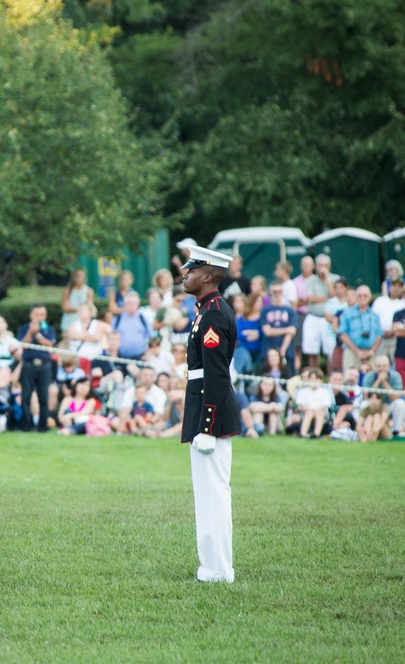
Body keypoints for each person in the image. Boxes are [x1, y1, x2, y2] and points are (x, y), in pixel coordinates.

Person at [179, 245, 240, 583]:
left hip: (210, 416)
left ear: (208, 276)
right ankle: (211, 567)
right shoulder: (207, 310)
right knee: (206, 494)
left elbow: (216, 376)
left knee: (214, 494)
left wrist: (207, 426)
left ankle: (218, 569)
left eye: (191, 270)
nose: (184, 275)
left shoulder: (214, 313)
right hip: (203, 409)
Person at [17, 305, 57, 432]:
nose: (39, 317)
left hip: (45, 366)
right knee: (26, 397)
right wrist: (30, 332)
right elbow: (24, 345)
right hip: (29, 365)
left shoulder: (49, 329)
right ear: (31, 315)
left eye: (42, 315)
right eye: (36, 314)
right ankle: (26, 425)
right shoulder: (23, 328)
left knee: (43, 397)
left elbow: (49, 344)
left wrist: (38, 335)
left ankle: (42, 426)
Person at [300, 254, 336, 369]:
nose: (323, 268)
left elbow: (335, 297)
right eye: (320, 265)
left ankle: (331, 380)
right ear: (316, 266)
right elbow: (310, 299)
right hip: (313, 317)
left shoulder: (335, 279)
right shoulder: (311, 280)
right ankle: (314, 376)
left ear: (329, 266)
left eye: (325, 265)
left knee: (329, 351)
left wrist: (328, 281)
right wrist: (327, 298)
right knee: (312, 350)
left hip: (329, 319)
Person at [337, 285, 383, 371]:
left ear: (369, 298)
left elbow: (379, 335)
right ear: (356, 297)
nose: (362, 298)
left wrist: (371, 352)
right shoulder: (347, 313)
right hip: (352, 351)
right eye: (360, 295)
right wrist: (358, 351)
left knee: (370, 379)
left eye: (365, 295)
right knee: (349, 377)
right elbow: (342, 334)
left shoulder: (374, 315)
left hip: (370, 353)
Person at [361, 355, 405, 435]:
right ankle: (365, 429)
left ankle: (397, 430)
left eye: (384, 366)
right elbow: (366, 396)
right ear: (375, 367)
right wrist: (378, 380)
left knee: (400, 403)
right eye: (379, 366)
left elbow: (396, 397)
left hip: (389, 404)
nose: (382, 368)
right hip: (374, 404)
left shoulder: (396, 376)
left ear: (389, 366)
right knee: (364, 404)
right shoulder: (369, 377)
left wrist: (385, 382)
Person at [260, 281, 297, 366]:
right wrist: (287, 329)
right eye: (274, 291)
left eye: (280, 291)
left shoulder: (290, 310)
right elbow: (267, 332)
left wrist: (282, 350)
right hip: (267, 350)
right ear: (270, 292)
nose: (277, 293)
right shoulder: (265, 310)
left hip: (287, 351)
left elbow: (292, 332)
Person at [371, 277, 405, 362]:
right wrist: (381, 332)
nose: (396, 288)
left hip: (397, 338)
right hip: (380, 338)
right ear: (389, 287)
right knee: (379, 362)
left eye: (399, 286)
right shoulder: (380, 301)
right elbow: (373, 319)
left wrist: (392, 331)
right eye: (394, 285)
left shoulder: (404, 303)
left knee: (396, 363)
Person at [113, 291, 151, 360]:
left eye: (133, 303)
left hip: (140, 357)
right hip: (121, 357)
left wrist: (148, 353)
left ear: (138, 304)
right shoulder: (117, 319)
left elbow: (151, 337)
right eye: (128, 303)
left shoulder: (143, 318)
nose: (131, 305)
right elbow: (112, 336)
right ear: (124, 304)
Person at [236, 292, 263, 368]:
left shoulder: (262, 318)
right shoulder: (242, 317)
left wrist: (257, 333)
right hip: (245, 349)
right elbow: (238, 333)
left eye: (261, 302)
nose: (260, 304)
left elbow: (264, 332)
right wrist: (253, 335)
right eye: (258, 301)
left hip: (259, 351)